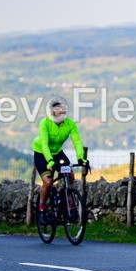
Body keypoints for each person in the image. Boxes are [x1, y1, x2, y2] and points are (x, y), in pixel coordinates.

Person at [31, 96, 88, 225]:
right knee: (48, 181)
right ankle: (41, 209)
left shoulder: (70, 124)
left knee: (70, 174)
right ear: (52, 112)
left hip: (57, 152)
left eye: (64, 110)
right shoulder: (44, 123)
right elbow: (44, 144)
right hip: (42, 153)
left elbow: (77, 141)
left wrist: (81, 158)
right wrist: (50, 161)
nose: (62, 112)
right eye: (59, 110)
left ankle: (68, 203)